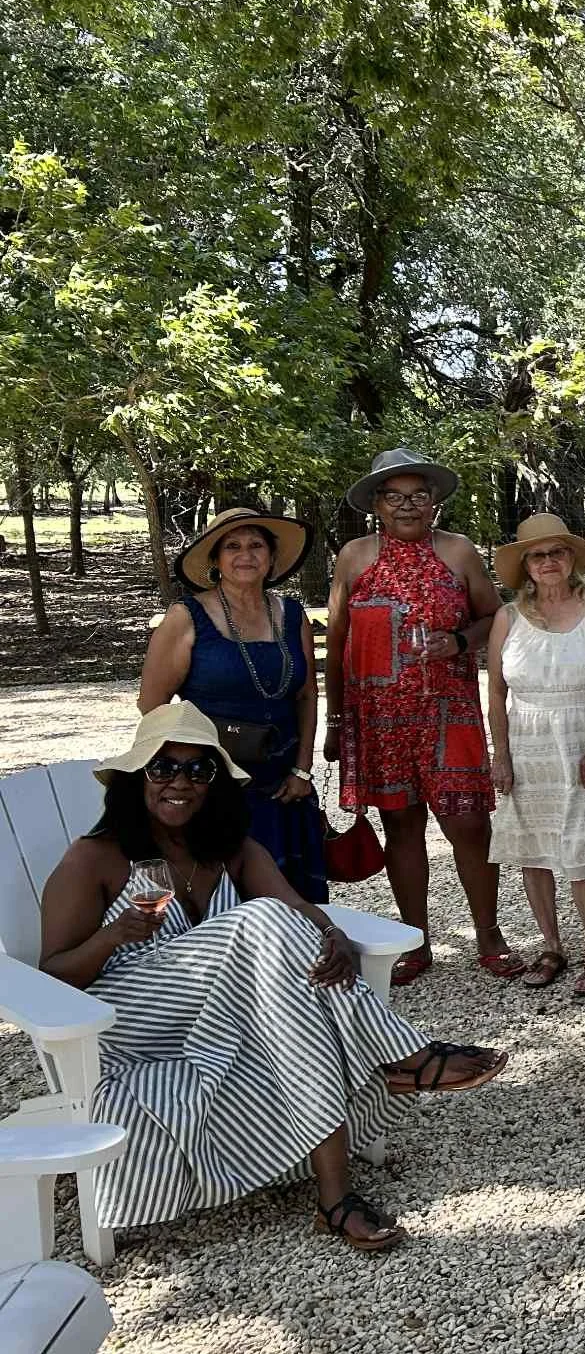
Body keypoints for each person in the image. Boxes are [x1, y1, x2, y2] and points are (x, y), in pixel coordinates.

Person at [39, 705, 508, 1252]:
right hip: (127, 1023)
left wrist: (332, 935)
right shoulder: (95, 858)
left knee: (294, 991)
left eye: (198, 770)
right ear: (135, 778)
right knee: (262, 919)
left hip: (216, 1021)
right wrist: (113, 936)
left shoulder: (232, 851)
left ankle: (335, 1199)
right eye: (162, 768)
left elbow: (299, 911)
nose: (180, 783)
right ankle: (402, 1057)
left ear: (215, 783)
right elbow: (54, 973)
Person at [325, 448, 514, 984]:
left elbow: (494, 616)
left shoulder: (457, 551)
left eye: (418, 495)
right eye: (394, 496)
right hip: (378, 719)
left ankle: (489, 935)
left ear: (434, 503)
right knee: (401, 828)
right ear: (376, 505)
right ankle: (415, 941)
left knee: (468, 824)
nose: (407, 505)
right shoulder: (354, 556)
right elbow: (336, 644)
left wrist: (458, 641)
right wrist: (336, 721)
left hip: (448, 712)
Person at [139, 507, 326, 902]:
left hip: (282, 783)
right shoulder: (186, 617)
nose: (246, 555)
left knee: (291, 899)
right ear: (215, 560)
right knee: (224, 897)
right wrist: (189, 777)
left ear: (271, 558)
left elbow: (307, 694)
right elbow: (152, 706)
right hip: (213, 783)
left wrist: (302, 769)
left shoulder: (292, 615)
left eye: (256, 545)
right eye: (232, 546)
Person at [486, 515, 585, 997]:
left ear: (572, 559)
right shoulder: (508, 617)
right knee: (534, 850)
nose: (548, 561)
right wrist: (500, 755)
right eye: (537, 555)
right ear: (525, 565)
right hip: (525, 741)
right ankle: (551, 946)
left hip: (578, 737)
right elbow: (496, 692)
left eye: (557, 552)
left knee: (580, 850)